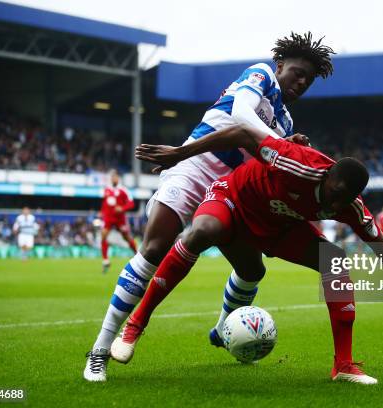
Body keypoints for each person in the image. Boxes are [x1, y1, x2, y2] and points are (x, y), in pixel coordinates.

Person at [112, 124, 383, 385]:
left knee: (335, 260)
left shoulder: (349, 206)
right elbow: (240, 133)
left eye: (345, 199)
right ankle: (135, 325)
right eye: (334, 193)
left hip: (277, 225)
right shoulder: (298, 163)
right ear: (327, 176)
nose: (336, 203)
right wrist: (180, 153)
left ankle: (343, 365)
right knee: (201, 232)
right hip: (233, 200)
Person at [84, 32, 336, 382]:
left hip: (230, 191)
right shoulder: (260, 74)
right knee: (155, 248)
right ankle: (100, 350)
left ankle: (223, 330)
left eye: (308, 80)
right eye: (298, 72)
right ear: (280, 65)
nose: (302, 82)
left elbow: (266, 160)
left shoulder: (287, 123)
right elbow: (240, 114)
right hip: (195, 165)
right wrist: (280, 142)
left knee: (252, 270)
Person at [99, 169, 137, 273]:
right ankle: (105, 260)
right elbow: (104, 203)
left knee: (127, 237)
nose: (113, 178)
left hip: (120, 219)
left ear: (118, 178)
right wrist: (101, 212)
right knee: (103, 236)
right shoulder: (107, 190)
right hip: (108, 218)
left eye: (115, 177)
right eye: (112, 177)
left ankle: (137, 254)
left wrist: (122, 208)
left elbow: (131, 203)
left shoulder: (123, 190)